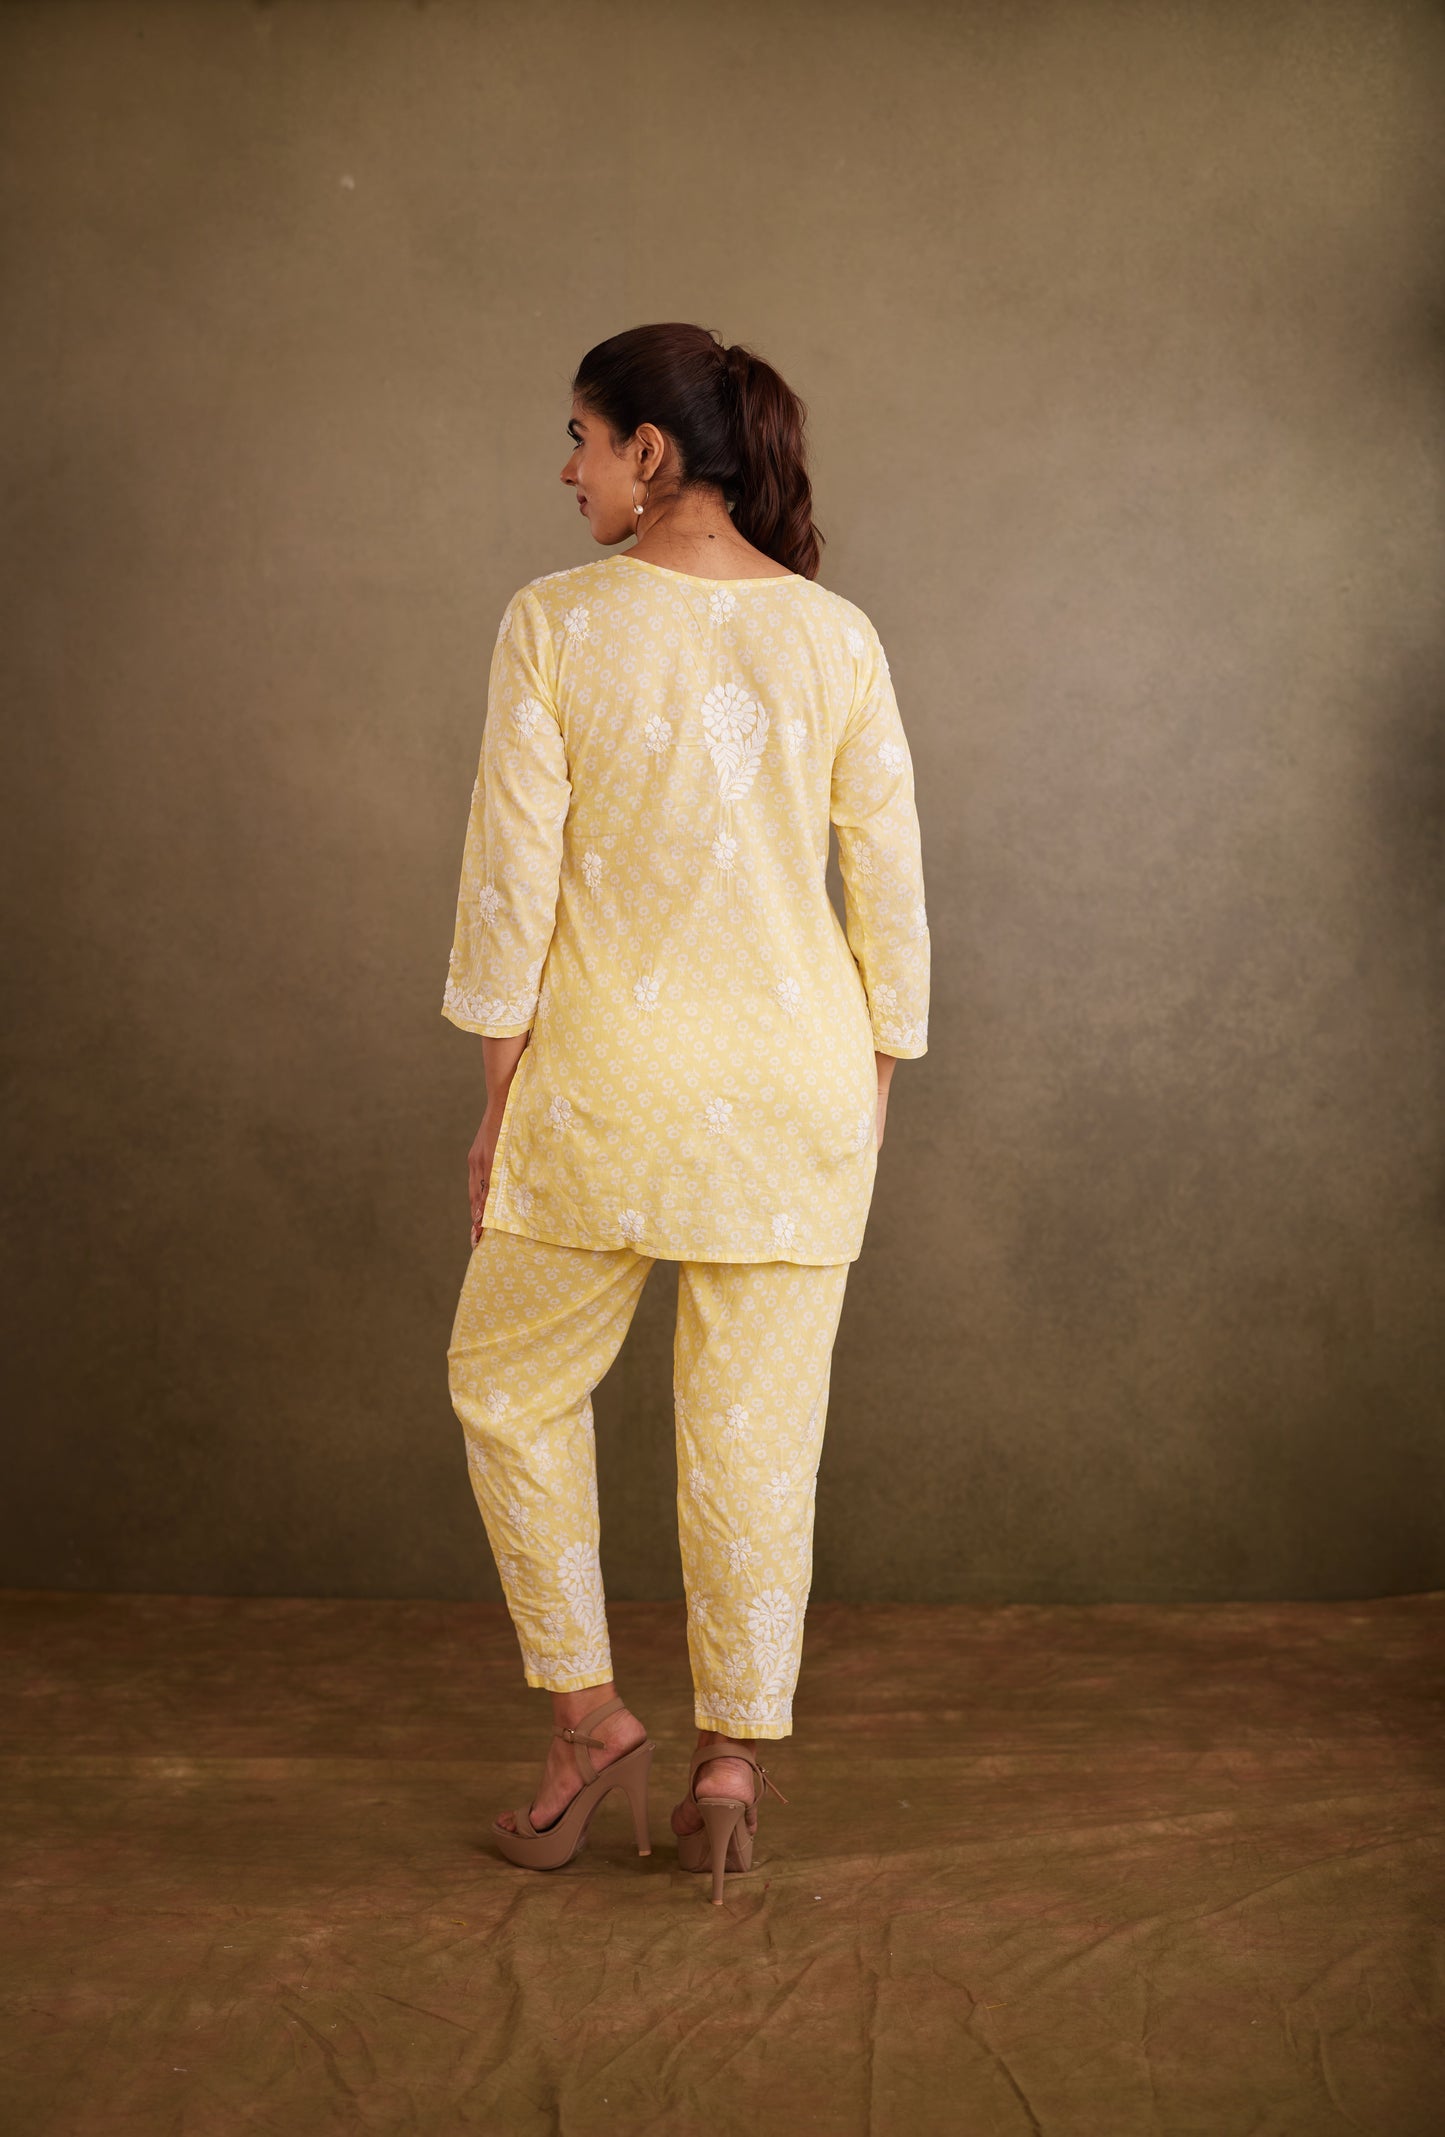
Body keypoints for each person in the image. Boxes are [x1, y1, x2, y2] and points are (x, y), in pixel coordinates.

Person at [443, 321, 929, 1902]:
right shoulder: (836, 635)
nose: (565, 468)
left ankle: (590, 1718)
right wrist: (866, 1094)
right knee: (756, 1440)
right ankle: (730, 1763)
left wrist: (498, 1105)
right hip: (804, 1090)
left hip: (606, 1080)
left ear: (649, 453)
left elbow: (511, 882)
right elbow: (889, 892)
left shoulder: (554, 622)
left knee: (507, 1384)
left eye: (580, 437)